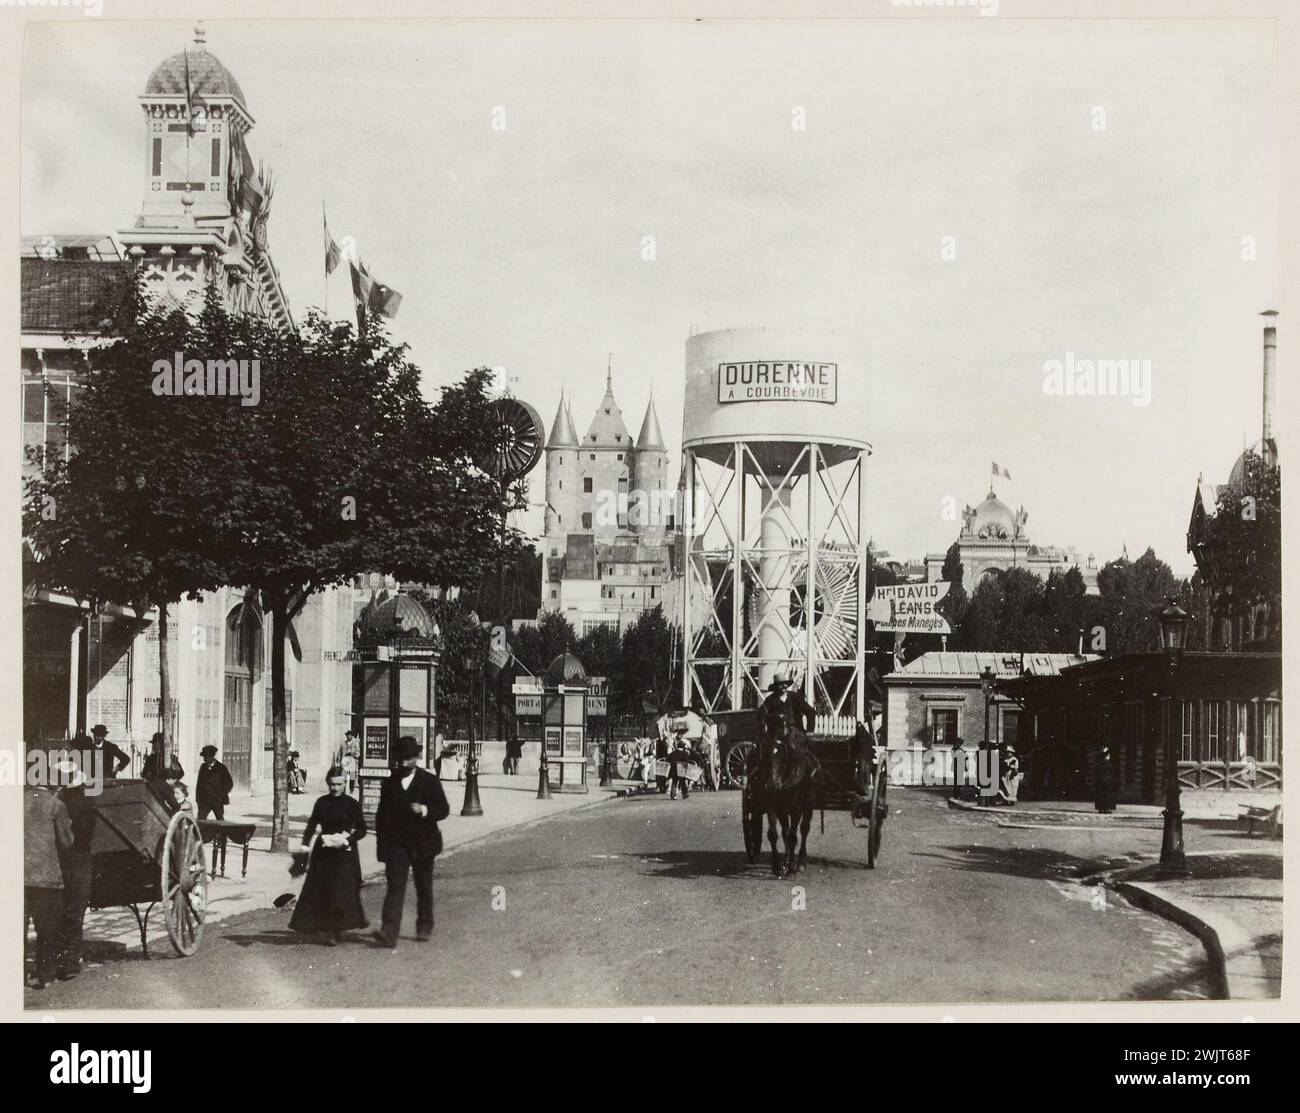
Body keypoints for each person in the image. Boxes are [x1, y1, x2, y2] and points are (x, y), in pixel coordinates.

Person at [372, 735, 450, 947]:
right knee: (395, 885)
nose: (404, 763)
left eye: (408, 758)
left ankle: (424, 925)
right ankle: (389, 931)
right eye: (400, 758)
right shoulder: (390, 783)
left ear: (416, 757)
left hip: (423, 842)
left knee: (423, 885)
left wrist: (425, 809)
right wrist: (383, 849)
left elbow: (443, 809)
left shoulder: (429, 780)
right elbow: (382, 817)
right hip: (397, 844)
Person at [290, 766, 369, 946]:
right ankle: (322, 927)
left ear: (344, 784)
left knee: (339, 892)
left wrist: (347, 840)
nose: (335, 788)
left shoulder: (352, 804)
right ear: (328, 784)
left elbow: (362, 829)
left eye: (339, 784)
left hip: (344, 852)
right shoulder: (321, 803)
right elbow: (312, 825)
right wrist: (304, 846)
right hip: (323, 852)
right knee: (321, 890)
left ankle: (335, 931)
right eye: (332, 784)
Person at [24, 784, 73, 989]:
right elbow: (66, 842)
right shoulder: (56, 805)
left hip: (16, 875)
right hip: (47, 878)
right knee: (47, 930)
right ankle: (46, 976)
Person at [55, 759, 94, 981]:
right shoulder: (87, 802)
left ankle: (59, 960)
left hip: (61, 861)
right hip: (80, 861)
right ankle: (71, 962)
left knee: (60, 912)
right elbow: (88, 833)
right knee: (75, 913)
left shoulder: (57, 802)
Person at [760, 676, 815, 742]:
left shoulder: (794, 697)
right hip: (777, 735)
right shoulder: (770, 700)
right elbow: (761, 715)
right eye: (780, 684)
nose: (783, 686)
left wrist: (810, 731)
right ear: (776, 686)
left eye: (785, 683)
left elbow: (810, 711)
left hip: (796, 733)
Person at [195, 745, 234, 821]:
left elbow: (229, 783)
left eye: (205, 757)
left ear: (211, 756)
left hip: (217, 800)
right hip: (204, 800)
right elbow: (199, 784)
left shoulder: (221, 768)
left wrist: (222, 794)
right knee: (201, 820)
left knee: (220, 820)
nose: (204, 759)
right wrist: (198, 799)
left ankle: (222, 833)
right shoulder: (203, 767)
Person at [668, 730, 695, 800]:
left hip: (673, 768)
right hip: (681, 769)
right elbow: (687, 761)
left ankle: (673, 795)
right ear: (683, 747)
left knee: (674, 781)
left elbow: (667, 759)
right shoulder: (684, 753)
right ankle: (685, 794)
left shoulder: (673, 753)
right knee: (682, 782)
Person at [1094, 744, 1117, 814]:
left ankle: (1100, 808)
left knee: (1100, 794)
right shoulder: (1107, 763)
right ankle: (1106, 809)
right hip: (1106, 780)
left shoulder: (1098, 763)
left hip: (1099, 780)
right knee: (1107, 795)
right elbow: (1113, 771)